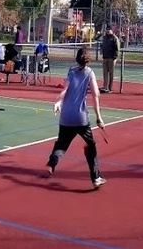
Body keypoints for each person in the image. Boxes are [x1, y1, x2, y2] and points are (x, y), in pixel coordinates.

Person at [46, 47, 107, 189]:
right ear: (88, 59)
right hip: (80, 117)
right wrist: (99, 118)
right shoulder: (89, 73)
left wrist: (58, 102)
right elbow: (95, 95)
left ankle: (52, 163)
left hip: (66, 116)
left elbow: (64, 90)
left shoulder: (71, 71)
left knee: (61, 144)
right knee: (91, 146)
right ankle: (95, 178)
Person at [99, 25, 120, 93]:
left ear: (111, 30)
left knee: (111, 73)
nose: (107, 31)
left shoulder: (114, 38)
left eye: (109, 29)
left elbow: (117, 48)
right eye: (107, 29)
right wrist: (101, 50)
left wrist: (115, 57)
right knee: (105, 73)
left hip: (111, 58)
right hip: (105, 57)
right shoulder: (104, 38)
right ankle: (105, 86)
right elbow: (102, 45)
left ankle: (110, 88)